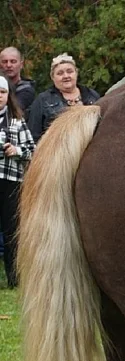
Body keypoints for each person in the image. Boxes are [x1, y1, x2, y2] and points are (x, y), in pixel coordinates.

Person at [0, 74, 36, 288]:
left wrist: (16, 150)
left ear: (8, 95)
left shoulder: (17, 121)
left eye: (2, 92)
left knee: (11, 230)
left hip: (11, 181)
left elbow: (32, 151)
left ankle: (15, 277)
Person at [27, 53, 100, 143]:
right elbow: (33, 136)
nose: (66, 76)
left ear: (76, 73)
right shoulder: (42, 100)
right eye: (60, 73)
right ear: (52, 77)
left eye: (69, 71)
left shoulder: (92, 95)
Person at [0, 47, 36, 115]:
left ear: (21, 64)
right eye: (4, 62)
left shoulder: (26, 90)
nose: (8, 65)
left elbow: (15, 110)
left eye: (13, 61)